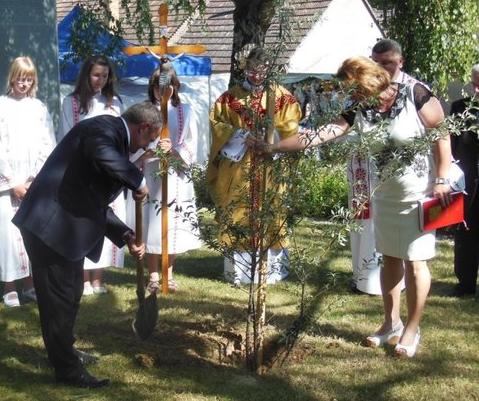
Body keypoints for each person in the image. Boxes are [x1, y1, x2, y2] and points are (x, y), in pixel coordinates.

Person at [249, 56, 451, 358]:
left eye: (351, 89)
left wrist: (443, 178)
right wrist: (275, 147)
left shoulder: (415, 94)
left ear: (367, 82)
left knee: (415, 262)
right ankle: (391, 324)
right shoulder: (359, 108)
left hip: (420, 194)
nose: (348, 95)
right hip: (385, 195)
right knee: (390, 258)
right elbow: (322, 133)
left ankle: (412, 329)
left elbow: (442, 133)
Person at [13, 101, 166, 388]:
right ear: (143, 127)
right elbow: (101, 153)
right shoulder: (103, 129)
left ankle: (64, 352)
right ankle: (67, 371)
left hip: (63, 227)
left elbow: (94, 198)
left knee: (69, 295)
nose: (145, 147)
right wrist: (137, 180)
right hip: (49, 226)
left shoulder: (111, 138)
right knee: (58, 300)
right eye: (149, 139)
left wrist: (125, 234)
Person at [208, 48, 301, 285]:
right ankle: (237, 272)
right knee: (237, 211)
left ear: (270, 69)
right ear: (245, 68)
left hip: (271, 166)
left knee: (271, 212)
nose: (257, 75)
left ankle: (271, 272)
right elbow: (216, 124)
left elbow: (291, 127)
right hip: (239, 167)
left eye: (262, 70)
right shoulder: (229, 99)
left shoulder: (284, 98)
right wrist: (241, 135)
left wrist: (271, 138)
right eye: (252, 70)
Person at [345, 39, 419, 295]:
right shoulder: (360, 92)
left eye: (387, 62)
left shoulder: (414, 91)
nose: (380, 68)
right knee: (364, 224)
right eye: (375, 62)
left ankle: (399, 283)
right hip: (364, 171)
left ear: (400, 62)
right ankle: (364, 278)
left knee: (399, 239)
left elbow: (435, 134)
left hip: (401, 179)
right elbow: (342, 124)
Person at [0, 56, 56, 308]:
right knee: (7, 232)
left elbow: (47, 143)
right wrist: (12, 183)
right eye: (20, 78)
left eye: (29, 79)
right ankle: (9, 286)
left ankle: (29, 284)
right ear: (12, 77)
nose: (24, 84)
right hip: (8, 183)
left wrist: (35, 179)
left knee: (31, 232)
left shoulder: (39, 108)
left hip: (33, 180)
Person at [128, 65, 201, 293]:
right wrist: (149, 150)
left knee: (173, 222)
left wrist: (175, 150)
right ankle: (153, 274)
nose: (162, 91)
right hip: (150, 172)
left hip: (175, 174)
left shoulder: (185, 111)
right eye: (157, 86)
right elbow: (132, 141)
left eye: (167, 86)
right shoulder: (142, 111)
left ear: (175, 87)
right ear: (151, 87)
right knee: (151, 222)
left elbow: (192, 143)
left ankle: (168, 273)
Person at [59, 55, 125, 296]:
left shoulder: (115, 103)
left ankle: (98, 277)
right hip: (83, 171)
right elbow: (65, 137)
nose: (100, 80)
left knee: (107, 221)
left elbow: (121, 137)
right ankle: (84, 278)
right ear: (87, 75)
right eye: (96, 75)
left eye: (105, 76)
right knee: (83, 222)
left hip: (108, 172)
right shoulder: (72, 102)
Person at [449, 63, 479, 297]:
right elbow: (450, 146)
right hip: (467, 181)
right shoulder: (460, 108)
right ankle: (465, 283)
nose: (475, 90)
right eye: (474, 83)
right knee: (466, 231)